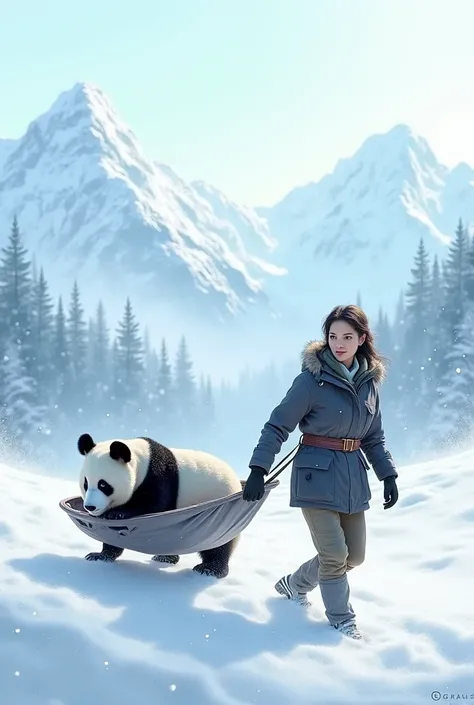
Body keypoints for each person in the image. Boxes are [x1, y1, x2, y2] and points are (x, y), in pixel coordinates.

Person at [243, 304, 398, 640]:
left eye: (346, 336)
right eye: (332, 336)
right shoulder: (310, 381)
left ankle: (294, 584)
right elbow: (277, 426)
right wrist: (258, 468)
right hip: (315, 476)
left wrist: (388, 475)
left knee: (353, 556)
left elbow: (374, 436)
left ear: (361, 339)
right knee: (334, 556)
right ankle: (342, 620)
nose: (338, 343)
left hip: (353, 479)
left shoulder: (370, 384)